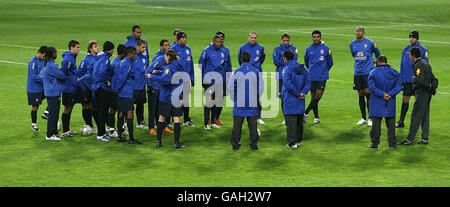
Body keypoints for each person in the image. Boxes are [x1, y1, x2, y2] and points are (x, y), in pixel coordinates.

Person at [149, 49, 187, 148]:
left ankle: (158, 141)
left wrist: (152, 76)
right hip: (177, 97)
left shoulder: (169, 67)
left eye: (165, 56)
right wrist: (158, 72)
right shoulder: (179, 66)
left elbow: (166, 79)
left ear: (168, 57)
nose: (164, 58)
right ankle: (176, 143)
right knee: (176, 119)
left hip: (166, 97)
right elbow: (169, 74)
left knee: (161, 118)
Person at [398, 47, 434, 145]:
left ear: (413, 55)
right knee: (425, 115)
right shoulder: (425, 63)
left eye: (410, 54)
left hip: (422, 93)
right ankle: (425, 138)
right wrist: (431, 89)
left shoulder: (417, 65)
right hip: (427, 93)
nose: (409, 56)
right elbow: (433, 79)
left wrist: (417, 85)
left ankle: (409, 139)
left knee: (415, 115)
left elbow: (421, 80)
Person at [228, 52, 264, 151]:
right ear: (250, 60)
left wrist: (234, 99)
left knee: (237, 126)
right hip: (252, 102)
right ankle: (253, 145)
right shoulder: (256, 72)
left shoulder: (236, 72)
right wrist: (256, 97)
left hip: (239, 102)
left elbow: (231, 87)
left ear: (241, 60)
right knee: (253, 125)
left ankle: (235, 145)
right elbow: (261, 88)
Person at [366, 56, 402, 149]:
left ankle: (375, 144)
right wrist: (390, 94)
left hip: (377, 101)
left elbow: (372, 87)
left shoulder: (373, 72)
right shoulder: (394, 72)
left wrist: (382, 94)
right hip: (390, 101)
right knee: (391, 124)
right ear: (386, 61)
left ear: (378, 62)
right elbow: (399, 85)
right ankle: (392, 144)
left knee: (376, 124)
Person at [396, 31, 429, 128]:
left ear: (417, 39)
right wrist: (401, 79)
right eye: (410, 37)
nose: (411, 39)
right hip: (407, 80)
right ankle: (401, 121)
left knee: (419, 102)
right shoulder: (406, 49)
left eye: (413, 38)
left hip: (417, 81)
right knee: (405, 100)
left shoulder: (423, 50)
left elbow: (425, 65)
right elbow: (402, 65)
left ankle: (421, 124)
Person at [349, 26, 381, 126]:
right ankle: (363, 118)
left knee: (368, 93)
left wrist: (376, 61)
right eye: (357, 31)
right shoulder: (352, 44)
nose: (359, 33)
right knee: (361, 94)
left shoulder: (370, 43)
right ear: (355, 33)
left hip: (368, 72)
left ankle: (371, 117)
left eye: (361, 31)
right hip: (358, 72)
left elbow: (378, 54)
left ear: (364, 32)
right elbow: (354, 55)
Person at [112, 46, 142, 144]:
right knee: (130, 113)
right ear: (129, 54)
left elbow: (116, 77)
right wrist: (117, 90)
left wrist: (116, 90)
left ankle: (120, 136)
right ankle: (131, 138)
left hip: (121, 92)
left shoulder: (121, 63)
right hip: (126, 92)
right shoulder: (127, 64)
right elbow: (122, 79)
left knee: (121, 113)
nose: (136, 56)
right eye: (134, 54)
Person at [282, 50, 310, 148]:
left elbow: (287, 84)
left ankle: (292, 142)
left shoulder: (287, 69)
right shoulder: (303, 69)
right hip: (300, 99)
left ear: (285, 58)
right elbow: (308, 82)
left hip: (290, 99)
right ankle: (298, 140)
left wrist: (297, 93)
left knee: (291, 122)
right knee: (299, 121)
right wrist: (304, 92)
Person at [304, 30, 333, 124]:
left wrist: (324, 71)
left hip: (322, 76)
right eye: (314, 37)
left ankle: (305, 112)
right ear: (312, 38)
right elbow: (306, 63)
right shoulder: (308, 49)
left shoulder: (326, 49)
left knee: (318, 96)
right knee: (313, 97)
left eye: (317, 37)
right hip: (312, 76)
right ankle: (316, 117)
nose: (316, 38)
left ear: (320, 37)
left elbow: (330, 63)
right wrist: (312, 70)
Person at [199, 34, 228, 130]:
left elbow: (224, 65)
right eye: (217, 42)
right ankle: (206, 122)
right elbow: (201, 64)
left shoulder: (223, 51)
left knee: (216, 102)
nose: (219, 43)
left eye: (220, 42)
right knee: (209, 102)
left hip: (219, 80)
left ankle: (212, 122)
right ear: (214, 41)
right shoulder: (206, 51)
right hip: (209, 80)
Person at [238, 31, 266, 125]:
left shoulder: (261, 48)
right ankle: (246, 115)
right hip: (245, 75)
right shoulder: (242, 48)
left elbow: (262, 59)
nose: (253, 39)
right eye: (251, 37)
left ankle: (259, 117)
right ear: (248, 38)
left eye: (255, 38)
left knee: (257, 96)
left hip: (257, 75)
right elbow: (240, 60)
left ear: (256, 38)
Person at [146, 42, 174, 135]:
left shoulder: (171, 63)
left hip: (163, 88)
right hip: (154, 87)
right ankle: (151, 127)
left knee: (162, 108)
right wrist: (150, 85)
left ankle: (163, 126)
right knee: (152, 108)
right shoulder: (159, 59)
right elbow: (148, 71)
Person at [273, 33, 298, 125]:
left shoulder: (294, 49)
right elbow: (276, 62)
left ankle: (293, 116)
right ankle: (285, 117)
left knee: (291, 97)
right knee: (283, 98)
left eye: (287, 41)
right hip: (280, 77)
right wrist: (287, 61)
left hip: (291, 76)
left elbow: (294, 61)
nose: (286, 42)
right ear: (281, 40)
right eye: (284, 41)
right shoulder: (277, 49)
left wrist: (283, 61)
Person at [171, 31, 195, 127]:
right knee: (176, 100)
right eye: (183, 38)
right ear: (178, 39)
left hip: (186, 79)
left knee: (185, 100)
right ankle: (174, 120)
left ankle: (186, 119)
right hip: (177, 80)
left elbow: (191, 64)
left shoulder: (188, 49)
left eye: (185, 38)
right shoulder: (173, 49)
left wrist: (192, 78)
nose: (185, 39)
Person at [92, 41, 115, 141]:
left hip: (96, 86)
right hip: (102, 88)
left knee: (101, 111)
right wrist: (106, 82)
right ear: (111, 50)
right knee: (102, 111)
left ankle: (102, 133)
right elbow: (102, 72)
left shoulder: (99, 56)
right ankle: (100, 135)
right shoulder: (105, 59)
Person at [42, 47, 65, 141]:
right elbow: (62, 75)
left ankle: (54, 133)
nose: (57, 54)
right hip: (53, 92)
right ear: (52, 54)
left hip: (51, 92)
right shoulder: (52, 65)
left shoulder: (48, 64)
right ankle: (49, 135)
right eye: (55, 52)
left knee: (55, 113)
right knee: (53, 114)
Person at [77, 40, 99, 133]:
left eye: (98, 46)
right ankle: (89, 125)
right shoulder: (86, 59)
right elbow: (80, 72)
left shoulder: (98, 58)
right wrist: (87, 82)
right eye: (95, 47)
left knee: (94, 106)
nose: (98, 48)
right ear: (90, 49)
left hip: (93, 87)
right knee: (86, 106)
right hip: (85, 87)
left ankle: (95, 126)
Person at [60, 40, 80, 137]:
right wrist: (69, 82)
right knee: (67, 108)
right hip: (68, 88)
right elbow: (62, 73)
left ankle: (67, 129)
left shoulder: (72, 57)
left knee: (70, 108)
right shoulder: (68, 60)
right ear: (71, 48)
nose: (79, 50)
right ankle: (65, 131)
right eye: (77, 47)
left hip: (72, 87)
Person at [212, 30, 231, 126]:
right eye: (219, 39)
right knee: (212, 99)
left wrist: (228, 78)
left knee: (220, 100)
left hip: (223, 79)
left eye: (222, 39)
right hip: (212, 79)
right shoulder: (210, 49)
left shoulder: (226, 50)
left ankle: (217, 118)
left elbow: (229, 65)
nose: (221, 40)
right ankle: (211, 119)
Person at [108, 43, 127, 137]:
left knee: (121, 109)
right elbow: (110, 76)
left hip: (120, 90)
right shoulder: (115, 63)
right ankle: (111, 129)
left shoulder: (119, 62)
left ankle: (121, 129)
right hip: (114, 90)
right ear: (122, 53)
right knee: (113, 109)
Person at [27, 45, 47, 131]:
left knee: (53, 96)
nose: (44, 58)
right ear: (39, 53)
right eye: (43, 56)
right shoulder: (33, 62)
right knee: (35, 107)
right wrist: (45, 79)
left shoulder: (43, 61)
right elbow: (34, 76)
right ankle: (34, 125)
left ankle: (46, 113)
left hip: (42, 88)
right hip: (34, 89)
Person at [134, 39, 149, 129]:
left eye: (145, 47)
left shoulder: (144, 57)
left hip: (142, 85)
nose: (144, 49)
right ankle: (131, 123)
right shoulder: (133, 57)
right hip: (135, 86)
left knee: (141, 104)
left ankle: (141, 121)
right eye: (143, 47)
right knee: (131, 106)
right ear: (137, 47)